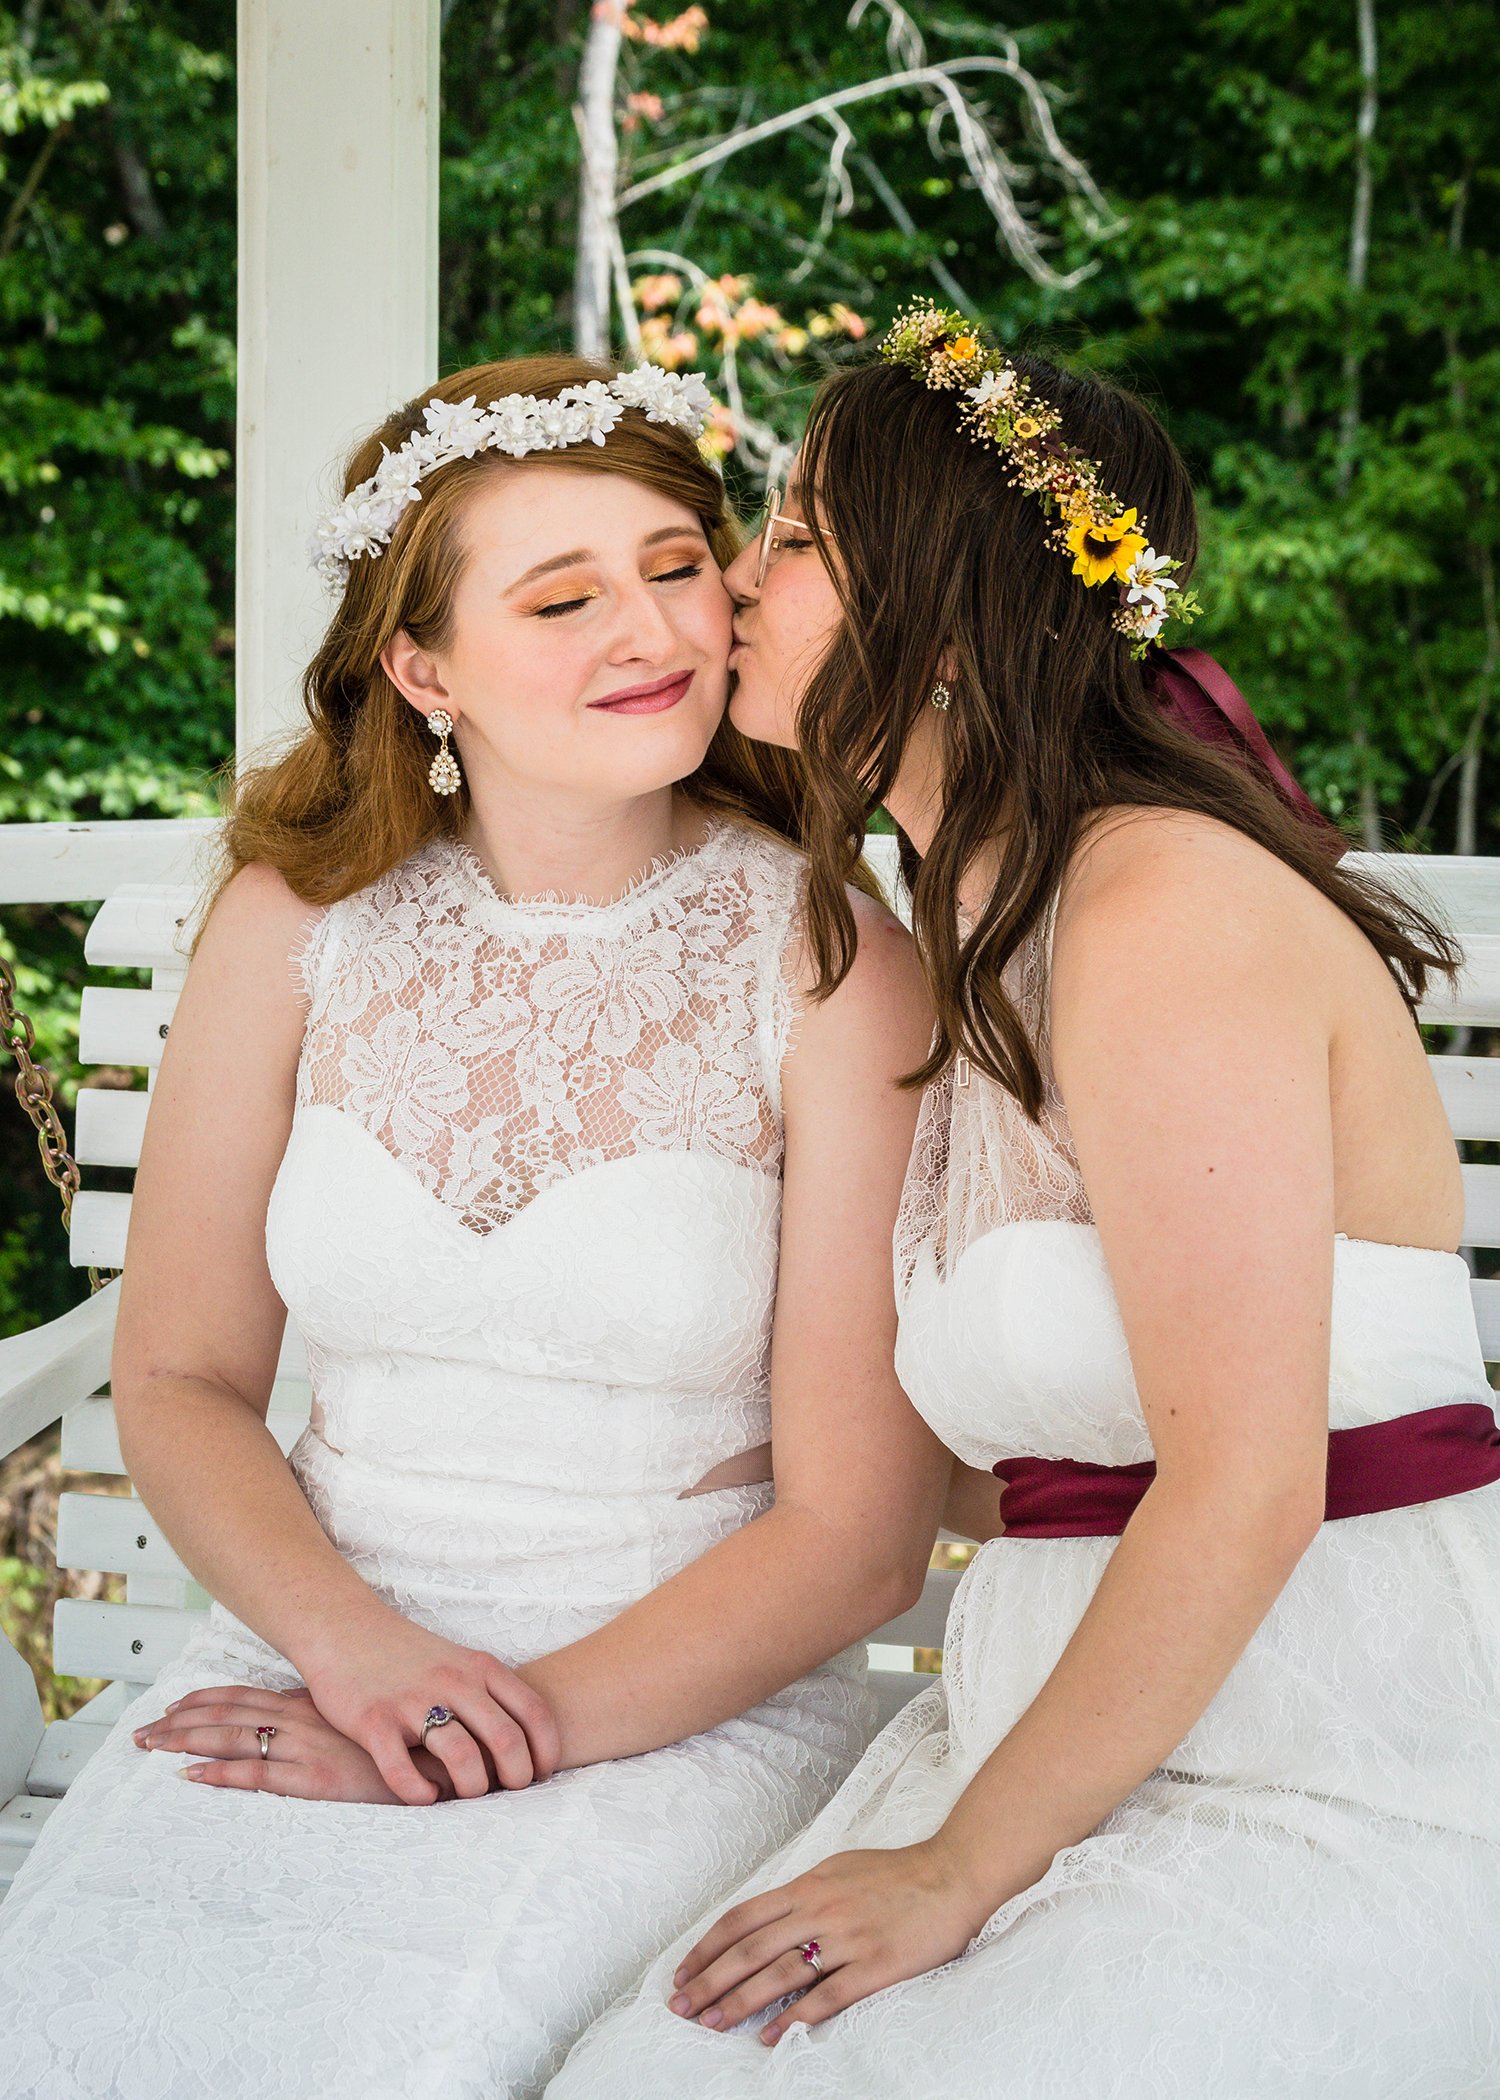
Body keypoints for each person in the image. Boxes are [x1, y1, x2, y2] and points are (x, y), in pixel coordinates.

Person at [546, 305, 1500, 2098]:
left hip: (1324, 1737)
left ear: (954, 615)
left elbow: (1250, 1473)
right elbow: (1014, 1457)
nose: (738, 584)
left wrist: (954, 1872)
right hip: (1056, 1714)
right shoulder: (951, 924)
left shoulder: (1157, 915)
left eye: (802, 541)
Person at [0, 354, 947, 2100]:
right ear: (423, 668)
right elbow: (188, 1374)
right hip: (311, 1645)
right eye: (564, 595)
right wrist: (362, 1663)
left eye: (679, 566)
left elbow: (859, 1536)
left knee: (399, 2055)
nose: (649, 628)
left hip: (677, 1698)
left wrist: (471, 1736)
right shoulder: (300, 921)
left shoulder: (827, 964)